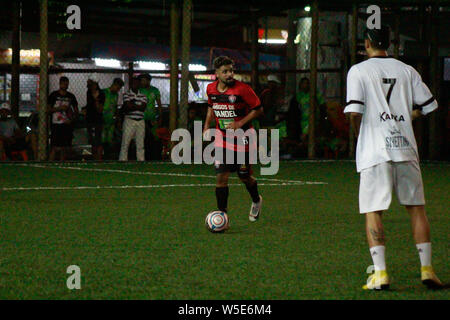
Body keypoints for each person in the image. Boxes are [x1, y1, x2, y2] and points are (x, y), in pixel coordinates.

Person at [344, 25, 443, 290]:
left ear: (366, 44)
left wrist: (360, 135)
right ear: (391, 44)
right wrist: (407, 117)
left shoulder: (358, 71)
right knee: (417, 209)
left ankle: (381, 273)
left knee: (373, 210)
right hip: (405, 147)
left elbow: (354, 112)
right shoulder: (407, 70)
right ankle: (427, 270)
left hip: (375, 150)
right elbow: (429, 106)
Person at [203, 56, 263, 224]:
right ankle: (223, 215)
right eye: (225, 71)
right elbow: (210, 107)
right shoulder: (210, 89)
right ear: (216, 73)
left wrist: (240, 123)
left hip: (244, 138)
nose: (229, 74)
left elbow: (258, 109)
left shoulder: (242, 89)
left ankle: (256, 200)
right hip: (223, 140)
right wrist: (207, 126)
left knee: (244, 176)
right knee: (221, 177)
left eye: (231, 70)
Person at [48, 76, 79, 161]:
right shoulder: (54, 95)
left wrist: (71, 119)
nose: (65, 86)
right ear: (60, 84)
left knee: (64, 147)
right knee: (54, 146)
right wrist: (60, 108)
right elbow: (48, 109)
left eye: (67, 84)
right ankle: (50, 163)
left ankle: (62, 163)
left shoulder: (71, 96)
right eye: (63, 84)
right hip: (56, 124)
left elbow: (76, 111)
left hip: (66, 124)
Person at [119, 76, 147, 161]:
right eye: (133, 83)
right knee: (125, 142)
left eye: (136, 83)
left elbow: (143, 108)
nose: (135, 85)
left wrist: (132, 104)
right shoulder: (126, 94)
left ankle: (141, 160)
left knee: (140, 143)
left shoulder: (143, 96)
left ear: (139, 84)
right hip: (129, 120)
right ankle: (122, 160)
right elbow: (127, 107)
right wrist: (137, 105)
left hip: (140, 121)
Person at [98, 78, 124, 160]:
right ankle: (99, 158)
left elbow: (115, 106)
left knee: (109, 141)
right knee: (101, 141)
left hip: (111, 122)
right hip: (102, 120)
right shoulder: (104, 92)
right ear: (114, 84)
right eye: (118, 88)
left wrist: (117, 117)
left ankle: (107, 157)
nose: (118, 90)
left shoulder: (116, 95)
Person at [138, 73, 163, 160]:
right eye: (141, 80)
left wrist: (160, 117)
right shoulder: (139, 90)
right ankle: (145, 157)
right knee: (142, 138)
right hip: (141, 118)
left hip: (152, 118)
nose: (142, 82)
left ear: (148, 81)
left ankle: (155, 156)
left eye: (144, 80)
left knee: (154, 137)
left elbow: (159, 105)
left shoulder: (155, 90)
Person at [296, 77, 326, 147]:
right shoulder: (299, 95)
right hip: (301, 120)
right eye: (303, 83)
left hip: (312, 120)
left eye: (307, 83)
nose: (305, 85)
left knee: (306, 134)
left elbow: (323, 106)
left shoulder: (315, 94)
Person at [84, 76, 105, 160]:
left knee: (98, 140)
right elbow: (89, 105)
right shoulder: (88, 92)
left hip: (98, 120)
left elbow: (100, 109)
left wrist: (96, 100)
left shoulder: (101, 94)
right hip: (90, 119)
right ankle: (94, 158)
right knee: (92, 140)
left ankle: (99, 158)